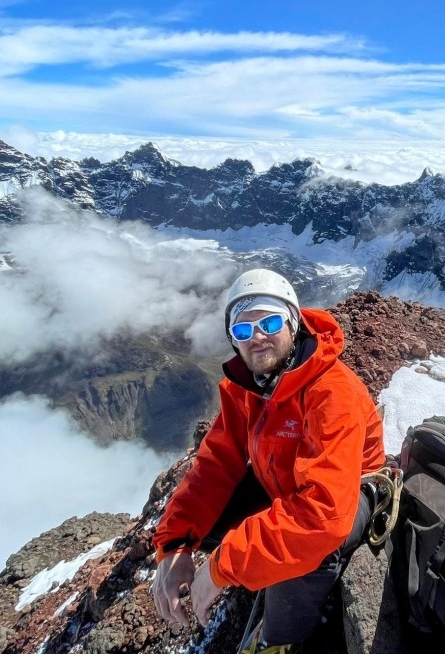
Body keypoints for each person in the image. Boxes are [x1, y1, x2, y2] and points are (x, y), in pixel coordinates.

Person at [152, 268, 386, 653]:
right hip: (286, 485)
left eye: (269, 322)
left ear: (293, 324)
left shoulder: (333, 392)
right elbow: (215, 465)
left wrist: (222, 566)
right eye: (243, 331)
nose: (257, 337)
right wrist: (175, 544)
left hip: (348, 498)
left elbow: (322, 516)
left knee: (315, 550)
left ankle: (284, 640)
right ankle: (258, 565)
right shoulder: (247, 386)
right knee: (211, 520)